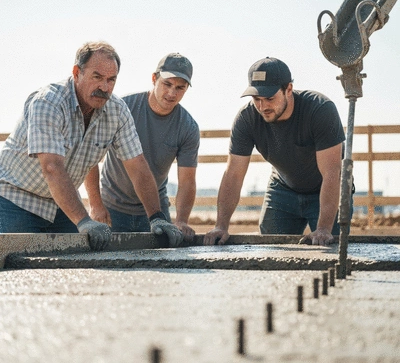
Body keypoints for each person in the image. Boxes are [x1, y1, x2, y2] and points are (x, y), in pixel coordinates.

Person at [0, 41, 184, 250]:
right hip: (14, 199)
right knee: (19, 269)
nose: (104, 87)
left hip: (60, 204)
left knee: (75, 267)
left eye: (111, 80)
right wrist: (84, 220)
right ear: (77, 72)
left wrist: (157, 217)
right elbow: (52, 167)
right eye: (97, 77)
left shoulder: (117, 111)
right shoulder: (48, 102)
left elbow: (137, 166)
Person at [204, 56, 347, 247]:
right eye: (257, 99)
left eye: (270, 98)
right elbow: (233, 174)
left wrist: (323, 228)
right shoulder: (247, 118)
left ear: (288, 89)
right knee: (271, 251)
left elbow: (332, 173)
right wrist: (221, 225)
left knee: (332, 248)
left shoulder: (320, 110)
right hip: (283, 189)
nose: (262, 107)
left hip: (326, 187)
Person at [85, 52, 199, 242]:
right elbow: (90, 157)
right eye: (167, 84)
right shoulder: (122, 109)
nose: (172, 93)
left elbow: (187, 181)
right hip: (111, 208)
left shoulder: (188, 127)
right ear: (154, 79)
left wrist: (181, 220)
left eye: (180, 87)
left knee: (163, 266)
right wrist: (96, 204)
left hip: (156, 210)